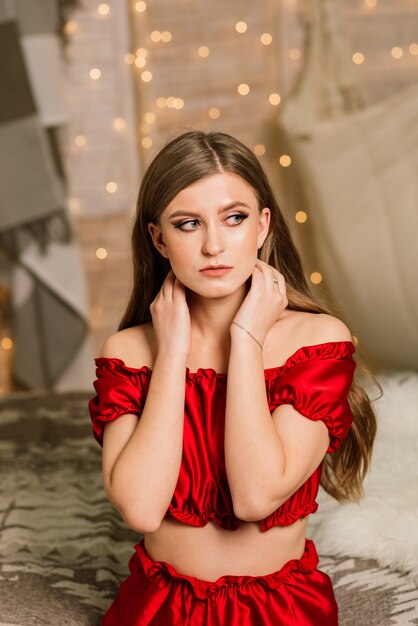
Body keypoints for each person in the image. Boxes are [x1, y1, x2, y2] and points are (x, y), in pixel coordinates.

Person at [88, 129, 379, 625]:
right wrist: (173, 348)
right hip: (158, 609)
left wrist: (247, 336)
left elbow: (254, 496)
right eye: (187, 224)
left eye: (235, 218)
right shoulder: (130, 350)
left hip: (280, 610)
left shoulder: (317, 340)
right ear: (158, 237)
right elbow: (139, 508)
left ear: (263, 226)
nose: (214, 245)